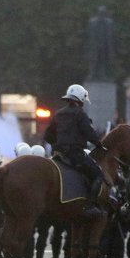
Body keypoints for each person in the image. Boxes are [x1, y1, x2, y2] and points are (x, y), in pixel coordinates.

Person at [44, 83, 107, 217]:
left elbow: (47, 136)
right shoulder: (80, 114)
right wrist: (99, 144)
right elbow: (89, 133)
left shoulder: (58, 114)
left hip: (58, 154)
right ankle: (90, 206)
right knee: (98, 175)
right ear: (81, 99)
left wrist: (57, 145)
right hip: (75, 154)